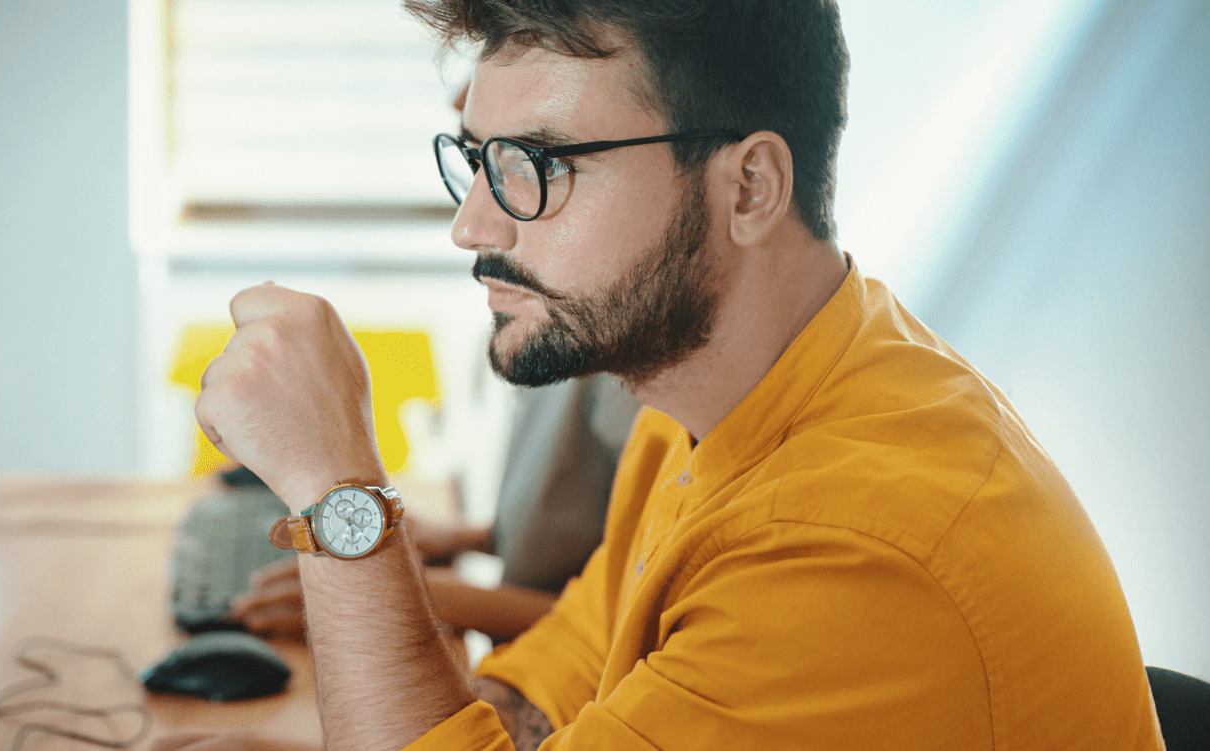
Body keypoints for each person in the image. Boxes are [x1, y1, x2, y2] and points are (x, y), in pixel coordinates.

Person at [167, 0, 1163, 749]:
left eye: (537, 165)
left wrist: (340, 492)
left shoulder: (854, 553)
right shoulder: (707, 395)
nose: (472, 224)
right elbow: (535, 699)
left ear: (748, 186)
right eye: (474, 159)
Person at [230, 374, 637, 642]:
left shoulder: (643, 393)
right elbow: (595, 526)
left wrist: (395, 597)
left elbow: (633, 629)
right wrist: (469, 538)